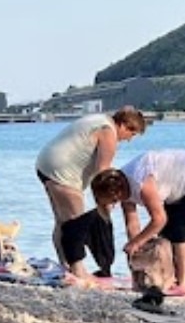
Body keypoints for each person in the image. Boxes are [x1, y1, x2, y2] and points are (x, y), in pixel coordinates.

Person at [36, 106, 149, 277]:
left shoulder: (99, 119)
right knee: (76, 222)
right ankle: (78, 270)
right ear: (125, 125)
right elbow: (102, 172)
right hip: (63, 171)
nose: (128, 140)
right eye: (131, 134)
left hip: (45, 165)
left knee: (62, 220)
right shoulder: (108, 132)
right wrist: (107, 200)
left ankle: (64, 265)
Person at [91, 148, 185, 292]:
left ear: (116, 192)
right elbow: (132, 223)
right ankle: (170, 278)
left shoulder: (142, 184)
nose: (113, 204)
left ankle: (184, 283)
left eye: (112, 201)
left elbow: (159, 219)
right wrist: (133, 250)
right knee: (165, 233)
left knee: (177, 228)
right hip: (173, 182)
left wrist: (137, 242)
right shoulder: (121, 187)